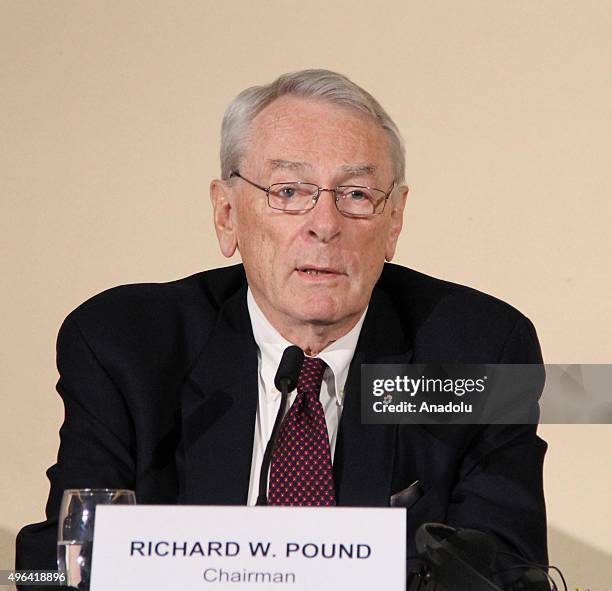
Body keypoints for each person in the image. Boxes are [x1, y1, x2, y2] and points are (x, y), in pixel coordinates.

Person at [16, 69, 547, 579]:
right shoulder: (128, 347)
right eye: (289, 191)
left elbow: (504, 570)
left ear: (395, 221)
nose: (324, 225)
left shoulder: (480, 352)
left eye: (356, 195)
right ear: (227, 215)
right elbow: (60, 562)